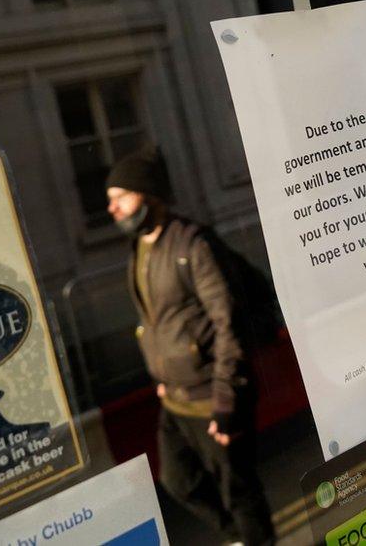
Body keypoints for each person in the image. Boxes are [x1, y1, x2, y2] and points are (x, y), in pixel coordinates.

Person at [106, 146, 274, 545]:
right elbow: (161, 320)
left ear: (147, 195)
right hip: (175, 398)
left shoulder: (193, 246)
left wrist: (226, 400)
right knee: (177, 482)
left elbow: (226, 322)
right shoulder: (141, 249)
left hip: (212, 396)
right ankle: (238, 538)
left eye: (120, 198)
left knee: (239, 491)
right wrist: (161, 374)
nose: (112, 209)